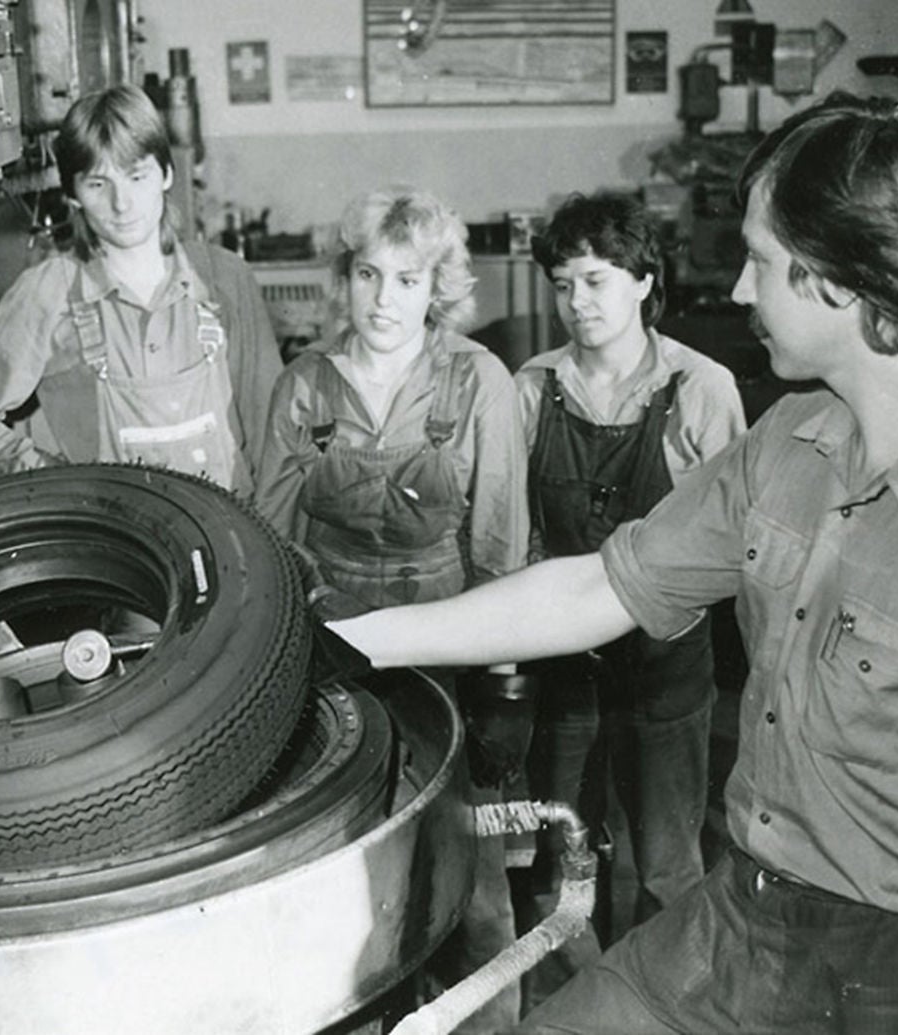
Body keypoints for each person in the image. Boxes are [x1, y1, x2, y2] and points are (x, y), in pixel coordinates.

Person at [326, 93, 898, 1034]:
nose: (743, 291)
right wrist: (349, 642)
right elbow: (599, 585)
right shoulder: (790, 442)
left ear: (838, 278)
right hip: (739, 914)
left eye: (758, 259)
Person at [255, 185, 530, 1032]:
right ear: (344, 278)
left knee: (476, 895)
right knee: (346, 894)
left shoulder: (475, 379)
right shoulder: (305, 386)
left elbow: (501, 541)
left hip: (449, 645)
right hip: (339, 659)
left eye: (407, 279)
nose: (384, 299)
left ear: (435, 287)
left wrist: (504, 684)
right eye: (368, 274)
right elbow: (271, 534)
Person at [514, 191, 743, 993]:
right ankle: (574, 1006)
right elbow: (514, 537)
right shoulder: (530, 389)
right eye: (562, 283)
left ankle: (666, 1010)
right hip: (564, 665)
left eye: (597, 280)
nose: (576, 302)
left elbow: (740, 543)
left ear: (644, 280)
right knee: (559, 860)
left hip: (666, 665)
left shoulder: (701, 387)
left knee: (666, 867)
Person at [0, 84, 282, 496]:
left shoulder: (225, 278)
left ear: (167, 174)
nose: (123, 203)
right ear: (72, 195)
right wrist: (59, 490)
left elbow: (274, 437)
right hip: (116, 550)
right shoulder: (50, 290)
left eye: (137, 176)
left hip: (230, 534)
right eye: (98, 185)